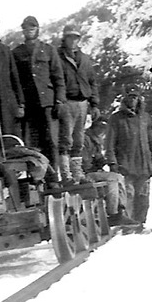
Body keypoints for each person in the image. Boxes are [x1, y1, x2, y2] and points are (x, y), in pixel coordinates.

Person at [12, 16, 66, 185]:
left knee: (51, 142)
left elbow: (58, 77)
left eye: (32, 27)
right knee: (31, 144)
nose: (29, 30)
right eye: (26, 28)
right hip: (29, 105)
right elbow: (15, 80)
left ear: (37, 29)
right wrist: (20, 103)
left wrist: (59, 101)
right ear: (23, 30)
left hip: (47, 103)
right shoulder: (17, 53)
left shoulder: (48, 50)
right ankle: (37, 178)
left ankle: (53, 177)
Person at [105, 84, 152, 225]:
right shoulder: (116, 118)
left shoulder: (145, 118)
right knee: (127, 196)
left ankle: (140, 224)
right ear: (125, 98)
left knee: (143, 197)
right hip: (126, 165)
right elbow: (109, 142)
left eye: (135, 97)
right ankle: (127, 225)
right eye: (130, 97)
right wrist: (112, 163)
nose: (133, 100)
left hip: (144, 166)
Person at [58, 24, 100, 184]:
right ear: (64, 38)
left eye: (76, 38)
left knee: (78, 140)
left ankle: (77, 173)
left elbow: (92, 82)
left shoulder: (85, 59)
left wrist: (94, 104)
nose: (73, 41)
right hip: (67, 102)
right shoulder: (58, 57)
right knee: (65, 140)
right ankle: (66, 174)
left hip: (83, 102)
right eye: (70, 37)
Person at [82, 117, 139, 228]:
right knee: (113, 179)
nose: (102, 131)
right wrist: (97, 163)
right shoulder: (86, 139)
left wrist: (104, 162)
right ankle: (114, 213)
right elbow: (85, 163)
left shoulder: (95, 140)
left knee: (118, 177)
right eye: (101, 127)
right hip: (85, 174)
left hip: (92, 171)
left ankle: (121, 211)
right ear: (95, 127)